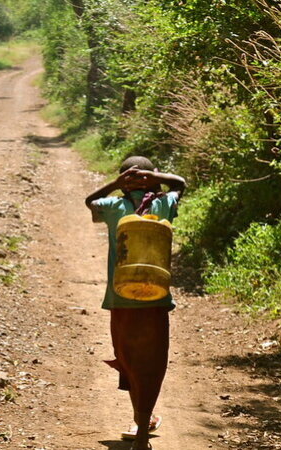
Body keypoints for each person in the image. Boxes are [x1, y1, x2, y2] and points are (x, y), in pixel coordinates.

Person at [84, 156, 186, 450]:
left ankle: (141, 422)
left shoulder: (114, 206)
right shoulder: (164, 203)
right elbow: (182, 184)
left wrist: (116, 185)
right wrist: (157, 177)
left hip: (121, 300)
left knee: (129, 361)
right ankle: (142, 431)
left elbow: (90, 201)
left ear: (123, 182)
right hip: (156, 300)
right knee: (153, 364)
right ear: (154, 179)